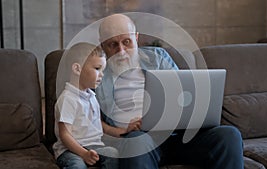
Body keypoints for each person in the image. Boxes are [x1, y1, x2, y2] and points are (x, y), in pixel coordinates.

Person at [96, 13, 244, 169]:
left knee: (229, 135)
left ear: (136, 38)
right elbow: (91, 120)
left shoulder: (158, 58)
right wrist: (123, 130)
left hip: (176, 135)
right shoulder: (95, 72)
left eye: (127, 42)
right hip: (137, 140)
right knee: (137, 142)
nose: (121, 51)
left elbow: (182, 96)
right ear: (102, 46)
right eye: (113, 45)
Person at [53, 42, 119, 169]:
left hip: (95, 146)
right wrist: (83, 153)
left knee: (113, 153)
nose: (102, 74)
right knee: (76, 165)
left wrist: (122, 131)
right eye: (97, 68)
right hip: (70, 150)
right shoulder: (67, 99)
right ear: (77, 69)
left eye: (103, 70)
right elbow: (65, 135)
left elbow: (100, 126)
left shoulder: (92, 97)